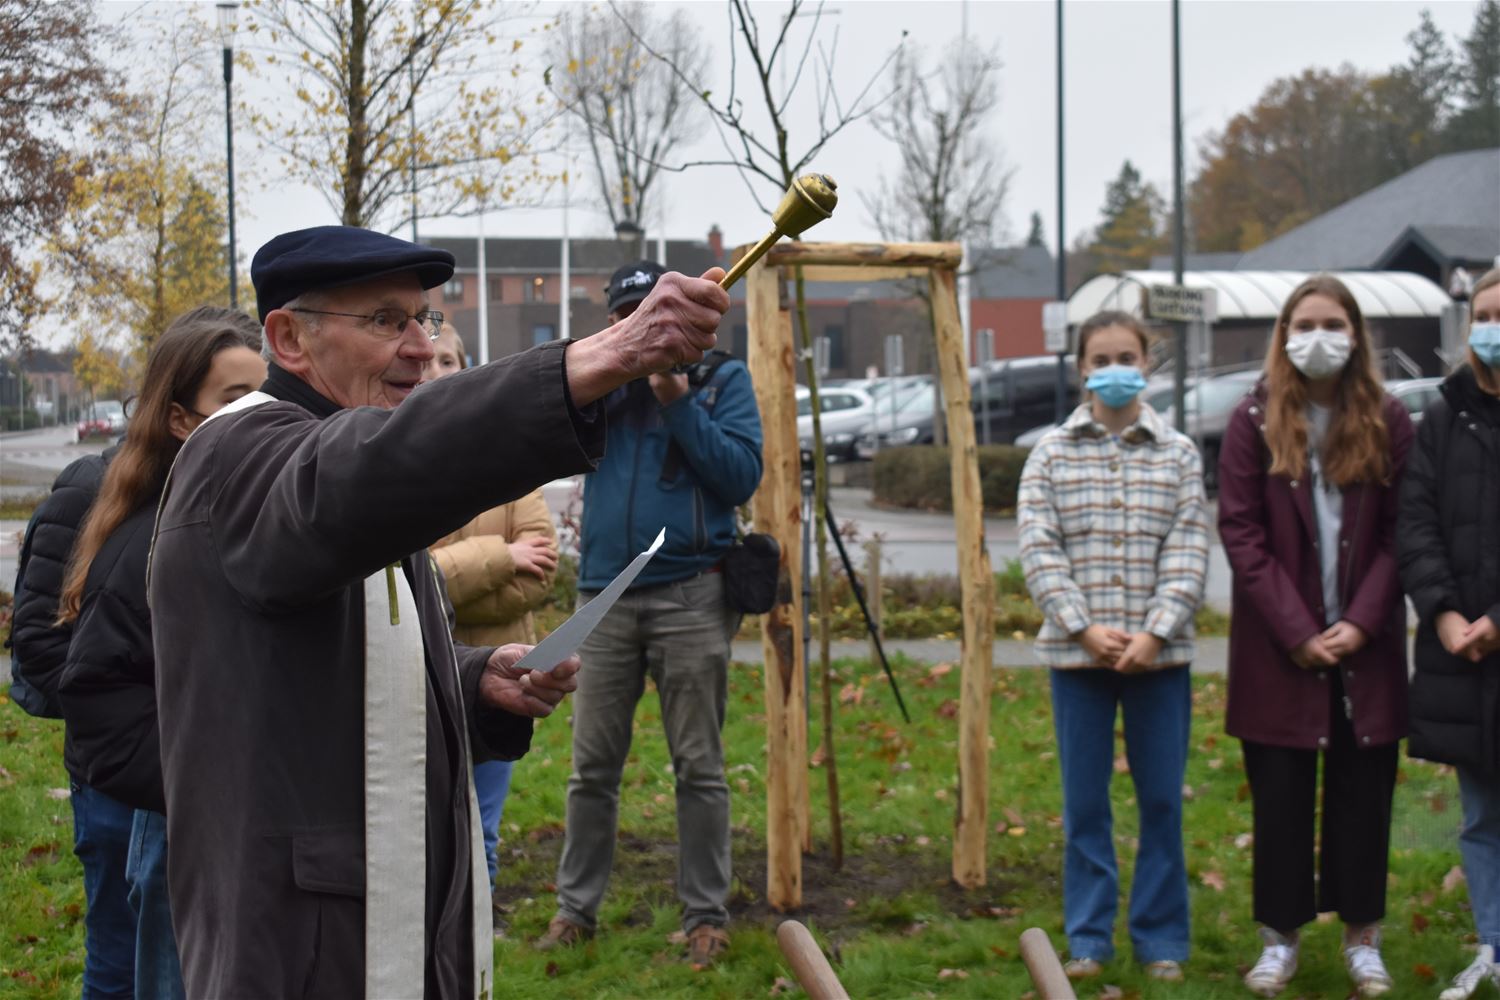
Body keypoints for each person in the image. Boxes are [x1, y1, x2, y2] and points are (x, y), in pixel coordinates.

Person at [147, 227, 729, 998]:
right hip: (303, 953)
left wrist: (474, 678)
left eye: (423, 318)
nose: (422, 347)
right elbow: (369, 473)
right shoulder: (240, 455)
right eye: (388, 321)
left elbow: (331, 658)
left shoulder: (327, 458)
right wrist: (597, 359)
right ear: (289, 337)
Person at [535, 260, 763, 969]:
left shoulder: (722, 381)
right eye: (629, 314)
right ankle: (576, 911)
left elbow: (739, 475)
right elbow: (536, 441)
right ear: (614, 324)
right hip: (602, 597)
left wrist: (676, 399)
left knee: (699, 766)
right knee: (590, 767)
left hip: (692, 594)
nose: (646, 327)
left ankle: (705, 916)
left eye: (654, 313)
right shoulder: (593, 390)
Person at [55, 308, 267, 1000]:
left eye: (265, 394)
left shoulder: (252, 516)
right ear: (180, 420)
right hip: (185, 832)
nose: (257, 413)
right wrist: (203, 784)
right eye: (234, 400)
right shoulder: (154, 538)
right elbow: (97, 699)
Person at [1218, 275, 1413, 999]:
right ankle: (1280, 939)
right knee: (1281, 798)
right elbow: (1239, 529)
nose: (1318, 336)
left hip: (1368, 649)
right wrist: (1299, 630)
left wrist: (1360, 621)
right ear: (1283, 334)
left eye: (1332, 322)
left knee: (1365, 797)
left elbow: (1402, 531)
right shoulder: (1253, 418)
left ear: (1356, 333)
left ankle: (1364, 939)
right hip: (1280, 649)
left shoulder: (1390, 419)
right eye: (1304, 323)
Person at [1016, 310, 1208, 983]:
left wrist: (1157, 630)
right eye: (1100, 358)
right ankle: (1090, 938)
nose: (1114, 369)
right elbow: (1039, 548)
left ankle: (1161, 939)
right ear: (1081, 370)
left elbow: (1188, 549)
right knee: (1085, 806)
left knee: (1160, 801)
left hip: (1161, 661)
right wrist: (1081, 627)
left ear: (1147, 364)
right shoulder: (1050, 454)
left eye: (1127, 355)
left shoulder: (1179, 454)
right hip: (1078, 661)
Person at [424, 323, 560, 926]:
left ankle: (476, 948)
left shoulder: (506, 463)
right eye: (423, 362)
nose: (432, 373)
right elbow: (394, 581)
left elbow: (541, 573)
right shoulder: (377, 468)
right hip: (418, 685)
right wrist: (499, 558)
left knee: (483, 828)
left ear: (466, 369)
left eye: (447, 361)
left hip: (499, 686)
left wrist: (441, 582)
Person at [1399, 267, 1500, 1000]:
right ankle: (1494, 945)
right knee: (1481, 816)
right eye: (1484, 317)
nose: (1493, 329)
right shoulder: (1440, 418)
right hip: (1461, 654)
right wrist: (1444, 612)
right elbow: (1416, 523)